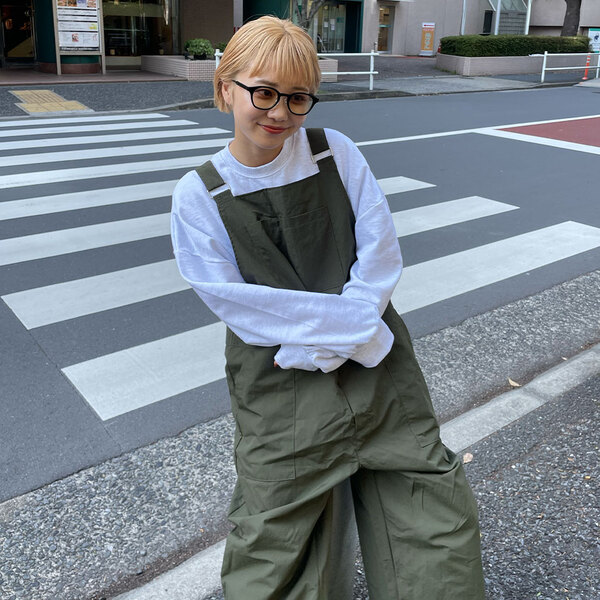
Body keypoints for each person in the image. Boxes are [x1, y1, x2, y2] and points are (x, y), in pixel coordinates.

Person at [171, 15, 486, 600]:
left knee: (427, 511)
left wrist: (343, 333)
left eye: (298, 98)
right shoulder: (199, 194)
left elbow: (380, 253)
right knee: (279, 534)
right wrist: (350, 334)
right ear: (224, 88)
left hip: (374, 366)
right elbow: (236, 303)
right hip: (283, 379)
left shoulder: (333, 151)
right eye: (264, 92)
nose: (280, 113)